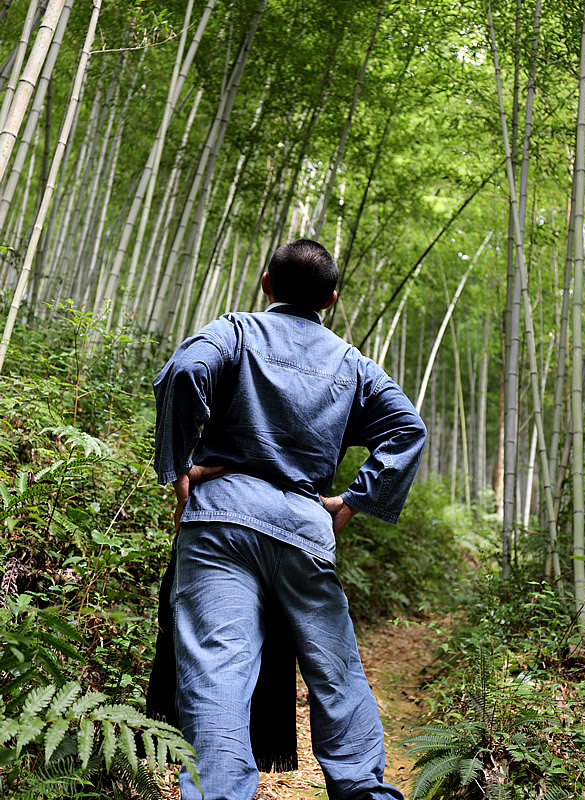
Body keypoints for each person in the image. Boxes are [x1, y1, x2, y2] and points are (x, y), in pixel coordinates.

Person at [153, 238, 427, 800]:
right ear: (330, 299)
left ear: (265, 282)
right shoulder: (352, 363)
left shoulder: (236, 331)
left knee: (218, 672)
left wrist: (180, 466)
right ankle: (364, 791)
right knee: (336, 673)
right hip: (305, 528)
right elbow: (407, 430)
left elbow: (184, 371)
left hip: (222, 522)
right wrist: (350, 503)